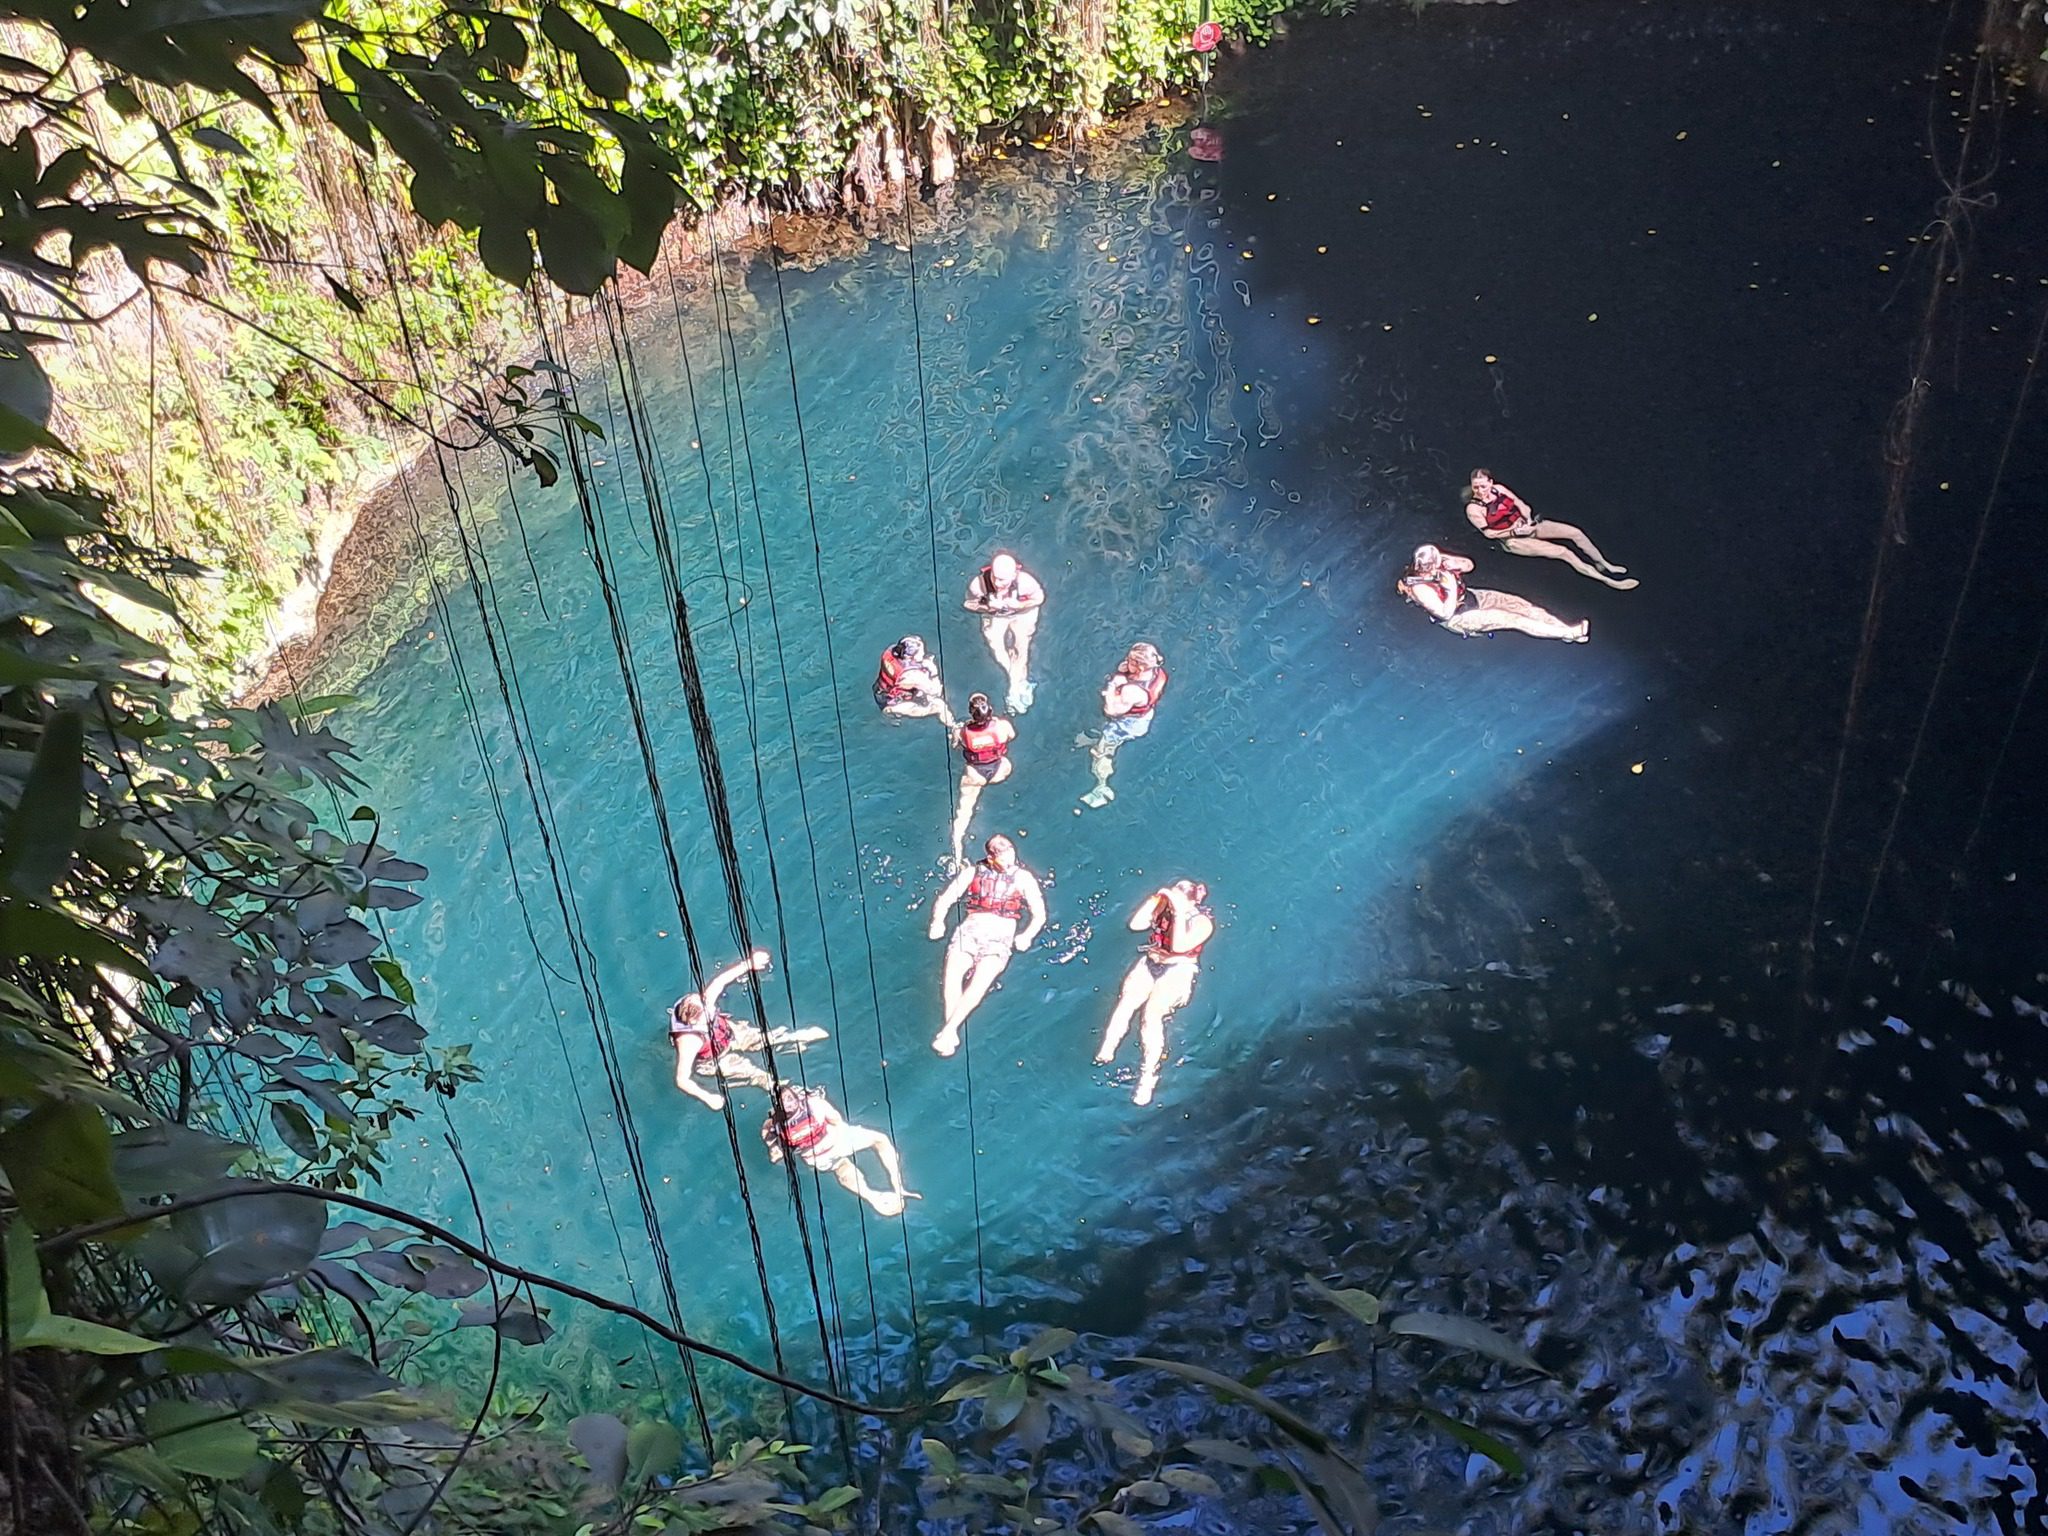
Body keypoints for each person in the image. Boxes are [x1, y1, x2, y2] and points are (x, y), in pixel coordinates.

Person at [925, 833, 1046, 1056]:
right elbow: (946, 898)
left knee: (979, 983)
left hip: (999, 939)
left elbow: (1040, 915)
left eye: (1010, 854)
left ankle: (949, 1029)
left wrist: (1027, 935)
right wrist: (937, 921)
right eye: (1003, 857)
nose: (1009, 861)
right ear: (990, 858)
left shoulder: (1024, 878)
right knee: (952, 975)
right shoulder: (973, 872)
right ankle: (950, 1031)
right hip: (970, 931)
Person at [1096, 880, 1214, 1107]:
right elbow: (1135, 925)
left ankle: (1148, 1076)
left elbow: (1179, 946)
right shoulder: (1163, 907)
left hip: (1178, 969)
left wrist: (1179, 912)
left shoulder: (1202, 923)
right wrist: (1154, 900)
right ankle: (1109, 1047)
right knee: (1126, 1002)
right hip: (1151, 961)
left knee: (1151, 1016)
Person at [669, 949, 827, 1110]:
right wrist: (708, 1097)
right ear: (695, 1022)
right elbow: (682, 1079)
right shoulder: (689, 1041)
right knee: (753, 1073)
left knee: (765, 1038)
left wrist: (750, 963)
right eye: (707, 1015)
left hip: (730, 1033)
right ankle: (781, 1088)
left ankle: (796, 1038)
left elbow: (720, 981)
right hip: (714, 1059)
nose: (711, 1007)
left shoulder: (704, 1003)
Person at [761, 1083, 918, 1218]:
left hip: (816, 1158)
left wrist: (773, 1149)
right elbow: (836, 1120)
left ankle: (871, 1197)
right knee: (880, 1140)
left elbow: (768, 1137)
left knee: (841, 1167)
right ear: (797, 1097)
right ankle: (898, 1184)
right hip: (836, 1141)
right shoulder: (814, 1104)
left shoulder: (772, 1124)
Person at [1463, 470, 1637, 591]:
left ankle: (1604, 564)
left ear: (1490, 482)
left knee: (1575, 533)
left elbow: (1521, 504)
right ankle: (1610, 582)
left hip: (1527, 526)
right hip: (1513, 540)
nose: (1480, 491)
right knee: (1564, 552)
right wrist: (1514, 533)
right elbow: (1489, 534)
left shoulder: (1499, 489)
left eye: (1483, 486)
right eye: (1476, 487)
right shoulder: (1473, 509)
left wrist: (1529, 521)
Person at [1398, 545, 1589, 643]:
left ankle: (1562, 630)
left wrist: (1456, 564)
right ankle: (1569, 632)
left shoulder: (1441, 562)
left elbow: (1469, 565)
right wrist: (1450, 588)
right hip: (1458, 617)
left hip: (1472, 597)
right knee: (1512, 619)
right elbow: (1444, 614)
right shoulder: (1420, 589)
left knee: (1521, 606)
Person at [1078, 642, 1167, 809]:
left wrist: (1113, 685)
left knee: (1101, 752)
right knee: (1104, 737)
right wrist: (1126, 671)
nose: (1127, 661)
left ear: (1141, 668)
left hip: (1125, 726)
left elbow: (1110, 710)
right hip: (1143, 717)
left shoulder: (1131, 691)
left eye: (1132, 661)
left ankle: (1101, 787)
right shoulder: (1158, 673)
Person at [962, 553, 1046, 713]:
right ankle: (1019, 683)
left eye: (1003, 580)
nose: (998, 583)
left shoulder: (1025, 581)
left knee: (1020, 646)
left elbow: (1039, 598)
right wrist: (988, 607)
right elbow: (968, 604)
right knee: (996, 646)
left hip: (1023, 613)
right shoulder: (979, 585)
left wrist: (1018, 605)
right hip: (996, 615)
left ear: (1014, 574)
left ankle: (1014, 690)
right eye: (995, 577)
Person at [948, 692, 1017, 869]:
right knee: (1007, 762)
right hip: (1000, 771)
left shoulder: (963, 732)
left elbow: (955, 746)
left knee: (963, 813)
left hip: (975, 775)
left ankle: (957, 851)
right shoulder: (1002, 727)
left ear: (971, 712)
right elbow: (1012, 736)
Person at [873, 635, 953, 725]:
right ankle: (952, 725)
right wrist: (933, 672)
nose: (923, 653)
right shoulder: (912, 675)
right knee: (940, 705)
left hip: (880, 692)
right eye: (921, 652)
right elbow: (936, 692)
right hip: (893, 705)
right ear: (911, 657)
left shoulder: (891, 652)